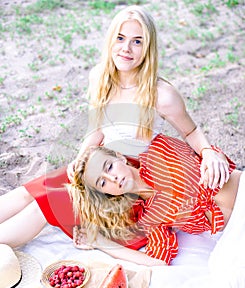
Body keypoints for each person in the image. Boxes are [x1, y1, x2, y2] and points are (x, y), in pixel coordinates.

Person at [67, 5, 230, 190]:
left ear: (148, 49)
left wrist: (208, 152)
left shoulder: (161, 94)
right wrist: (80, 158)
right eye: (120, 38)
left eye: (137, 42)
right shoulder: (98, 77)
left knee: (49, 202)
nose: (126, 48)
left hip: (131, 181)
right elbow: (98, 129)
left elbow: (190, 132)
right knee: (34, 193)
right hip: (105, 168)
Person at [67, 133, 242, 266]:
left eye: (110, 167)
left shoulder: (158, 151)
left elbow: (103, 118)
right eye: (103, 182)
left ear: (120, 157)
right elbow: (158, 262)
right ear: (107, 193)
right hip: (237, 231)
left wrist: (212, 154)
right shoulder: (150, 216)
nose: (113, 178)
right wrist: (100, 242)